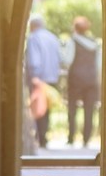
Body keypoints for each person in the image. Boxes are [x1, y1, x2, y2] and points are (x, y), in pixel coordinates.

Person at [22, 13, 62, 152]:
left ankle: (40, 138)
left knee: (38, 108)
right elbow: (59, 58)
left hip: (39, 78)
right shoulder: (53, 38)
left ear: (32, 26)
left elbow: (34, 59)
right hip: (52, 78)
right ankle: (44, 137)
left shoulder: (34, 38)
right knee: (46, 109)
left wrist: (34, 75)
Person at [66, 15, 100, 148]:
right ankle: (86, 138)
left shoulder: (72, 41)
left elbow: (68, 60)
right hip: (91, 79)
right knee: (89, 110)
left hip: (75, 79)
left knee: (72, 109)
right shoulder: (94, 43)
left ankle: (71, 137)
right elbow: (98, 64)